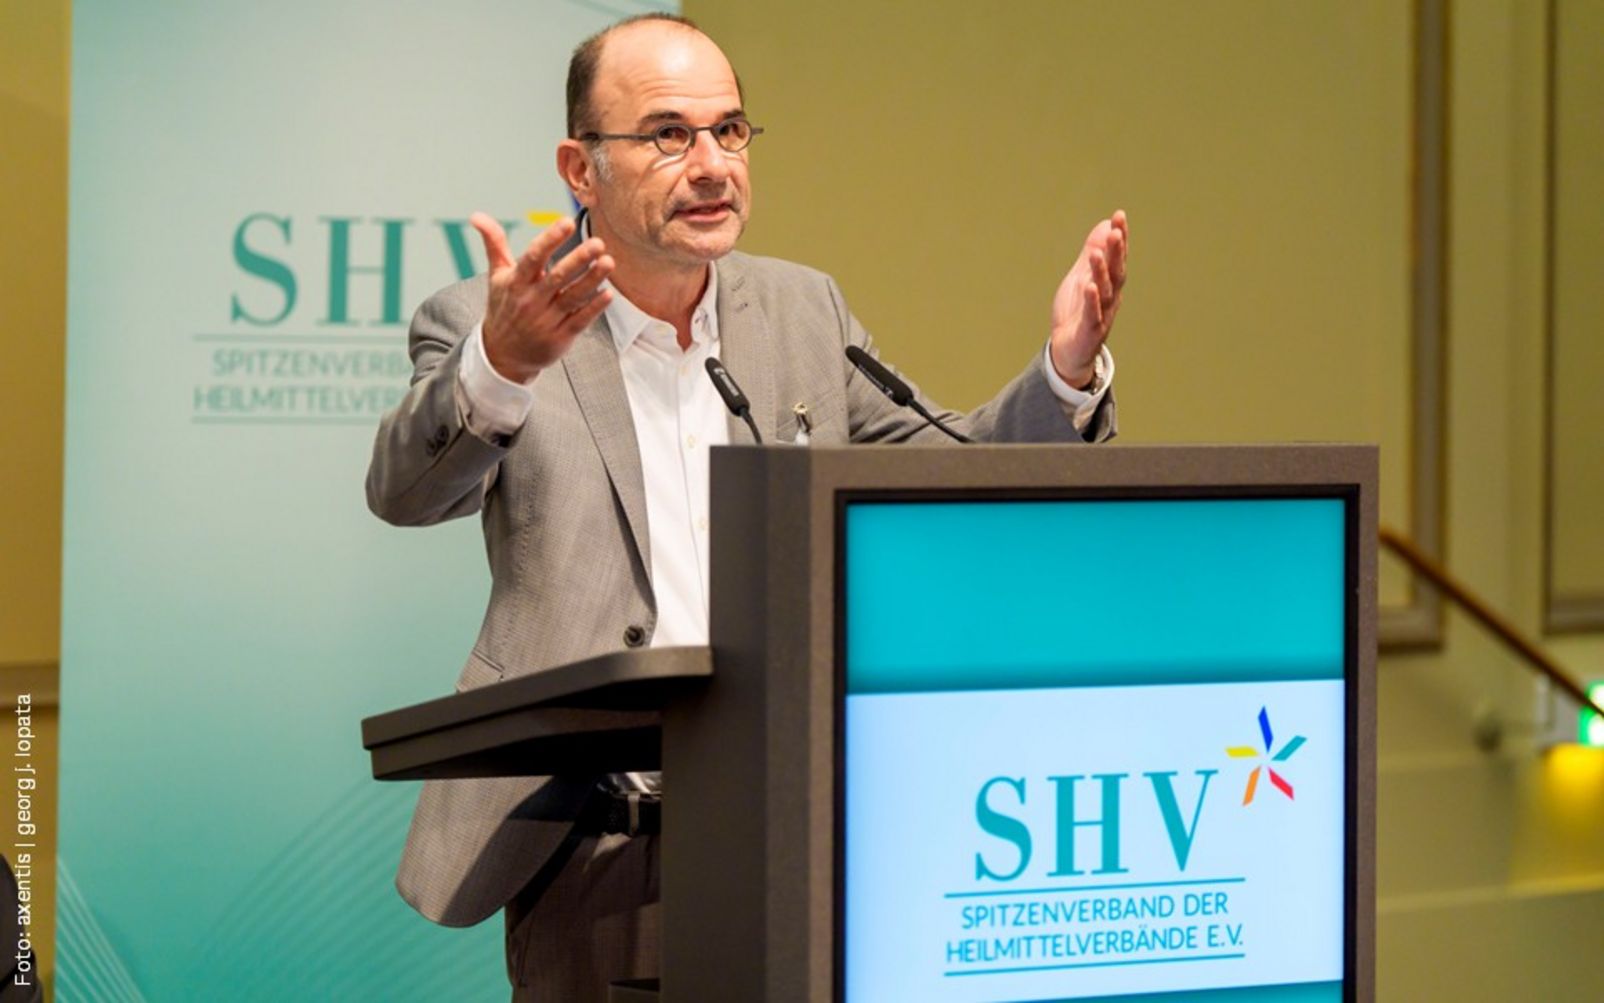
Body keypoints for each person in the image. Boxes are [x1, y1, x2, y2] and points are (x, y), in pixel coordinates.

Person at [366, 12, 1128, 1002]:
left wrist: (1064, 371)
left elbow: (954, 473)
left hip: (800, 819)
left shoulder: (801, 309)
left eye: (729, 130)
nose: (712, 165)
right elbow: (405, 492)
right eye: (667, 135)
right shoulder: (487, 321)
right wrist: (502, 366)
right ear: (580, 167)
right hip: (598, 838)